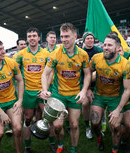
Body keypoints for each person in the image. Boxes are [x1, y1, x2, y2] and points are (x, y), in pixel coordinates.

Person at [39, 23, 91, 153]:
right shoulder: (56, 53)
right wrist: (45, 89)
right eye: (62, 36)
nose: (64, 39)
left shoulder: (83, 54)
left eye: (67, 36)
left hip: (75, 95)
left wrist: (84, 91)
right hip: (58, 94)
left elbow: (88, 74)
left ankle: (73, 149)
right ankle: (60, 145)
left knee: (74, 125)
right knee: (57, 125)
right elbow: (45, 74)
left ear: (75, 36)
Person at [87, 35, 130, 153]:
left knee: (116, 127)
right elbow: (87, 72)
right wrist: (87, 88)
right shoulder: (96, 58)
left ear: (118, 48)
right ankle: (99, 138)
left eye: (109, 45)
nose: (105, 48)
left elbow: (128, 90)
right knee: (94, 123)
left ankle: (114, 149)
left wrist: (118, 109)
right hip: (99, 96)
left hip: (116, 98)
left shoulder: (126, 65)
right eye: (104, 45)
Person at [14, 27, 49, 153]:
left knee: (48, 117)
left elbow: (50, 73)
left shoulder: (46, 53)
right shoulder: (20, 55)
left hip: (42, 91)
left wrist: (46, 89)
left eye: (34, 36)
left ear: (39, 38)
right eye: (29, 36)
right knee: (28, 118)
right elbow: (14, 71)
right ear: (27, 38)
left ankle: (52, 142)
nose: (32, 38)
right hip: (27, 91)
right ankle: (28, 146)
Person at [108, 32, 130, 153]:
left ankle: (123, 141)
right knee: (114, 125)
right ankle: (115, 140)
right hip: (113, 96)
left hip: (126, 96)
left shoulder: (128, 54)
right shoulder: (106, 57)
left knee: (129, 125)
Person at [82, 31, 103, 139]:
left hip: (99, 83)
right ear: (84, 40)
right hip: (85, 83)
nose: (90, 40)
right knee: (85, 103)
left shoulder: (100, 51)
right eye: (88, 38)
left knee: (99, 104)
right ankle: (87, 126)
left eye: (92, 38)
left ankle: (101, 125)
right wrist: (87, 87)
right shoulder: (81, 52)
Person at [44, 30, 58, 152]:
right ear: (47, 39)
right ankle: (43, 131)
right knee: (46, 113)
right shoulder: (43, 53)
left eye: (54, 37)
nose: (53, 39)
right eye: (51, 37)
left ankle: (67, 127)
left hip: (58, 85)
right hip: (47, 85)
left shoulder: (59, 50)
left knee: (59, 109)